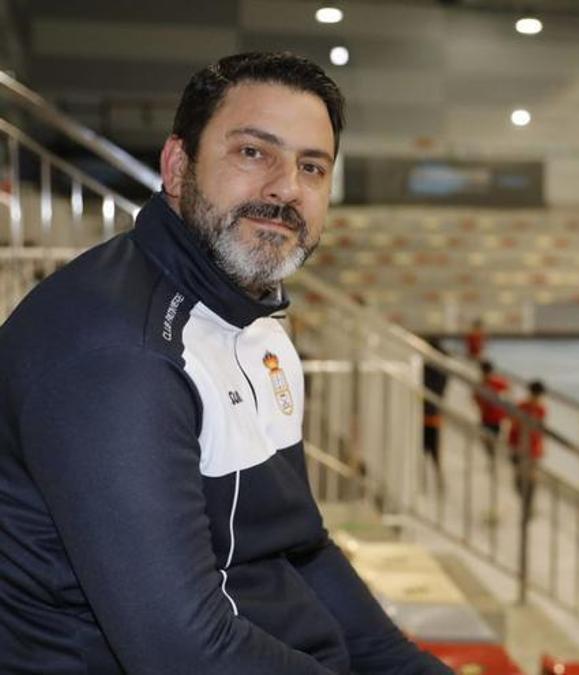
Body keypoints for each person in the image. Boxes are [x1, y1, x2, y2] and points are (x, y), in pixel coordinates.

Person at [0, 53, 448, 673]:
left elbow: (301, 549)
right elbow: (180, 651)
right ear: (178, 166)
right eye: (253, 153)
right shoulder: (118, 357)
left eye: (311, 167)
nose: (287, 188)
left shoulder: (253, 325)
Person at [508, 380, 548, 522]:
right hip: (519, 448)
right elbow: (514, 426)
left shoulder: (541, 410)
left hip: (533, 451)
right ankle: (527, 506)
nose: (537, 398)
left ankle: (527, 508)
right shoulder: (522, 406)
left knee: (531, 480)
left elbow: (540, 432)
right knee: (518, 482)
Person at [422, 338, 450, 495]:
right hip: (434, 417)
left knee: (427, 454)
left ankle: (429, 485)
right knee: (435, 455)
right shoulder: (443, 373)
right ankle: (439, 485)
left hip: (425, 417)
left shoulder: (427, 370)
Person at [474, 360, 510, 467]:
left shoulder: (497, 383)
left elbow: (507, 396)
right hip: (486, 417)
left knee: (492, 438)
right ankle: (492, 457)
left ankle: (493, 458)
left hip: (496, 418)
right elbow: (476, 399)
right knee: (485, 439)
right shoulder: (481, 384)